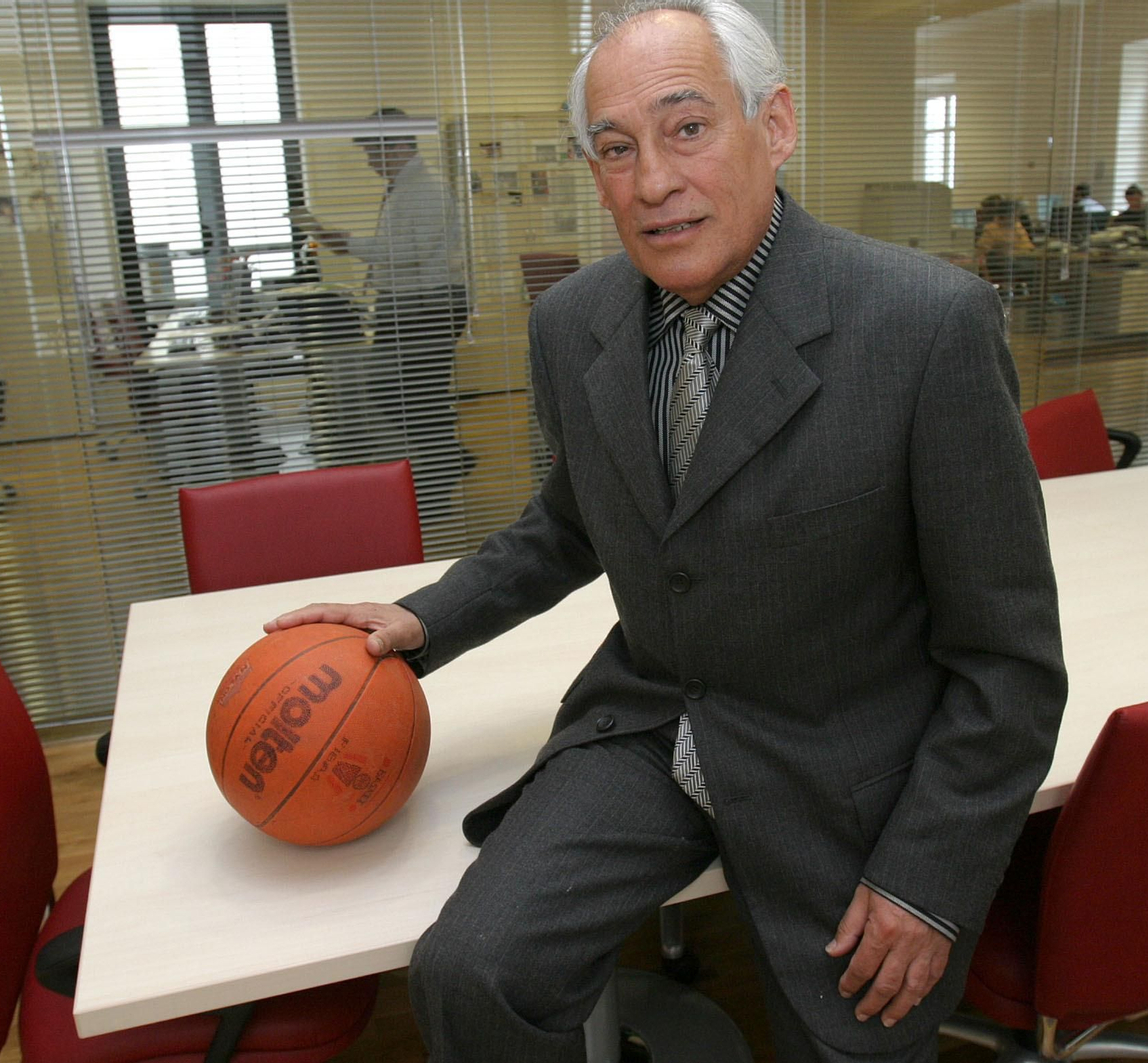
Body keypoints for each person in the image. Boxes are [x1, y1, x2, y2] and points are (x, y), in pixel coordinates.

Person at [270, 3, 1065, 1060]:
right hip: (651, 720)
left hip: (842, 755)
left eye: (686, 128)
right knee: (469, 974)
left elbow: (1007, 661)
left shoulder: (924, 327)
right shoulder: (572, 325)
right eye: (614, 149)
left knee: (850, 1042)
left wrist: (927, 879)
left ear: (772, 125)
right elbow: (572, 520)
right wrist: (423, 621)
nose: (651, 182)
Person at [317, 107, 472, 505]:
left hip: (425, 307)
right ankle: (449, 458)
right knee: (401, 390)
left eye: (374, 150)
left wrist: (347, 243)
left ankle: (443, 474)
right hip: (407, 305)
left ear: (400, 144)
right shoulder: (406, 189)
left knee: (413, 392)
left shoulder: (427, 190)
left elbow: (412, 252)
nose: (370, 161)